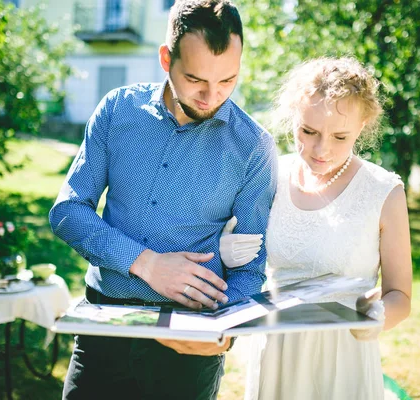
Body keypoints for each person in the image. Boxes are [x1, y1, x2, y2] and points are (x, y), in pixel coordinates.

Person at [49, 1, 278, 399]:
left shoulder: (254, 147)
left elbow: (251, 267)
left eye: (228, 80)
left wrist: (222, 334)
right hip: (105, 328)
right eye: (195, 79)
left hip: (191, 342)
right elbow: (68, 212)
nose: (212, 95)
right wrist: (146, 263)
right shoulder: (116, 110)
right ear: (165, 58)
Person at [220, 56, 413, 399]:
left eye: (340, 136)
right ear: (293, 116)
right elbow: (238, 254)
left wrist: (377, 317)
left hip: (343, 356)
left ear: (363, 124)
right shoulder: (269, 175)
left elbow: (401, 295)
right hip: (276, 350)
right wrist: (225, 249)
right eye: (308, 132)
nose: (321, 150)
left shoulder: (384, 192)